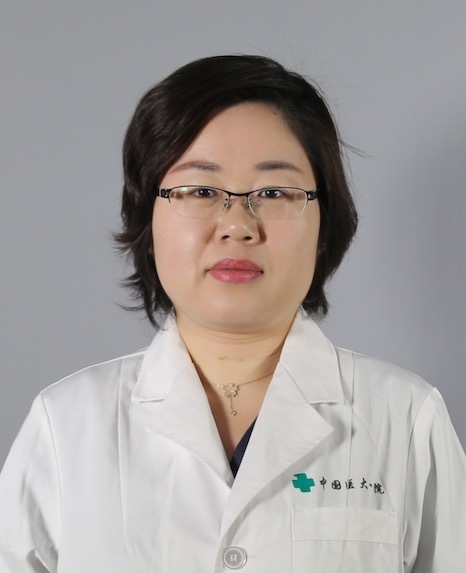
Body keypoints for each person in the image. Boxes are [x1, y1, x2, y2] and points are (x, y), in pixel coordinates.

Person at [0, 55, 465, 573]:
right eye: (201, 191)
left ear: (324, 224)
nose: (238, 225)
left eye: (274, 193)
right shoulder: (66, 425)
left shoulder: (405, 418)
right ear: (147, 220)